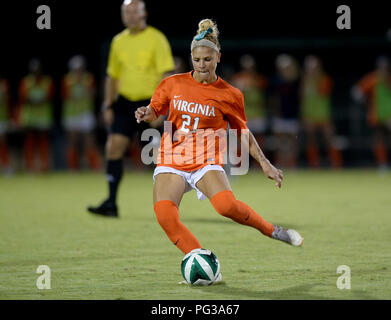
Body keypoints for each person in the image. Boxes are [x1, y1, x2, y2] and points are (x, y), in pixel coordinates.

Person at [135, 19, 303, 259]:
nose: (201, 65)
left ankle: (272, 230)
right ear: (191, 58)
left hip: (205, 160)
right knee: (165, 215)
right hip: (172, 158)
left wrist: (265, 163)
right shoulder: (172, 83)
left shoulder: (230, 94)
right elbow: (155, 109)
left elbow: (242, 131)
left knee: (226, 206)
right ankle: (200, 259)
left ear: (218, 58)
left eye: (207, 59)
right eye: (196, 60)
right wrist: (146, 112)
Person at [87, 0, 175, 217]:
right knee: (113, 148)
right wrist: (108, 104)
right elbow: (112, 76)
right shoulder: (118, 41)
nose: (130, 16)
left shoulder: (157, 38)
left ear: (144, 14)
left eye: (134, 12)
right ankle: (111, 203)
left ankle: (169, 206)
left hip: (150, 102)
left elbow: (166, 75)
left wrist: (160, 107)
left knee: (158, 155)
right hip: (125, 103)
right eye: (126, 12)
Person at [300, 55, 343, 168]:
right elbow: (302, 98)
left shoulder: (324, 79)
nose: (312, 70)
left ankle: (336, 164)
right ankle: (314, 164)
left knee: (330, 139)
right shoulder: (304, 81)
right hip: (309, 115)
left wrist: (314, 81)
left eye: (314, 68)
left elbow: (324, 92)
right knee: (311, 140)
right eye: (309, 68)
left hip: (324, 115)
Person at [61, 55, 101, 171]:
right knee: (72, 142)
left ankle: (94, 166)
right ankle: (73, 168)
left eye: (80, 68)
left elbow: (93, 93)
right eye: (75, 68)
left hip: (85, 113)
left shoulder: (88, 78)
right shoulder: (67, 80)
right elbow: (65, 96)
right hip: (71, 114)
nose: (78, 70)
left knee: (89, 141)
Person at [352, 56, 391, 169]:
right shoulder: (372, 79)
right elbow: (356, 92)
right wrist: (366, 102)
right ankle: (382, 164)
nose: (383, 70)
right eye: (381, 67)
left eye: (386, 67)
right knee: (378, 139)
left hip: (389, 115)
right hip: (376, 115)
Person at [231, 54, 268, 168]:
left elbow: (265, 96)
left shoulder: (259, 79)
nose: (248, 69)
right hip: (242, 115)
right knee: (240, 141)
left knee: (259, 141)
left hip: (257, 113)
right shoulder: (237, 79)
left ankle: (259, 165)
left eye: (250, 66)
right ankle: (240, 165)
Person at [18, 58, 54, 172]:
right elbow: (23, 98)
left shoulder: (47, 81)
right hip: (30, 117)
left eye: (37, 70)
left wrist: (36, 100)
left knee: (43, 142)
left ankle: (44, 166)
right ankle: (30, 166)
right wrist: (36, 101)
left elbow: (49, 97)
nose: (36, 72)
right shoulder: (26, 82)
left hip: (43, 117)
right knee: (30, 142)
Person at [269, 54, 301, 169]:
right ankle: (280, 163)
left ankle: (292, 163)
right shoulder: (276, 81)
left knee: (293, 143)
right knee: (280, 143)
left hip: (292, 115)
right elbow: (273, 98)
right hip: (280, 116)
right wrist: (274, 112)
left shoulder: (296, 80)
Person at [0, 74, 11, 174]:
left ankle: (6, 166)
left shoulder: (3, 85)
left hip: (1, 119)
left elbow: (6, 102)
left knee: (3, 143)